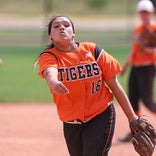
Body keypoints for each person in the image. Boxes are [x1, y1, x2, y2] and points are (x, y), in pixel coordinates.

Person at [36, 15, 138, 156]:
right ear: (50, 35)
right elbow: (49, 71)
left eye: (66, 25)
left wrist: (132, 118)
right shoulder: (49, 56)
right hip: (70, 122)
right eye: (56, 26)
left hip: (101, 115)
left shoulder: (93, 50)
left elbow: (115, 86)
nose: (62, 28)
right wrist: (53, 81)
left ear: (73, 32)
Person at [118, 0, 156, 142]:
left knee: (148, 101)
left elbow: (152, 50)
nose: (144, 14)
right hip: (135, 68)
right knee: (132, 100)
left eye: (146, 12)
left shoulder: (154, 28)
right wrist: (126, 66)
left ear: (151, 12)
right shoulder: (138, 30)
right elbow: (134, 49)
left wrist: (148, 49)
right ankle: (136, 131)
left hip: (147, 67)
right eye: (142, 12)